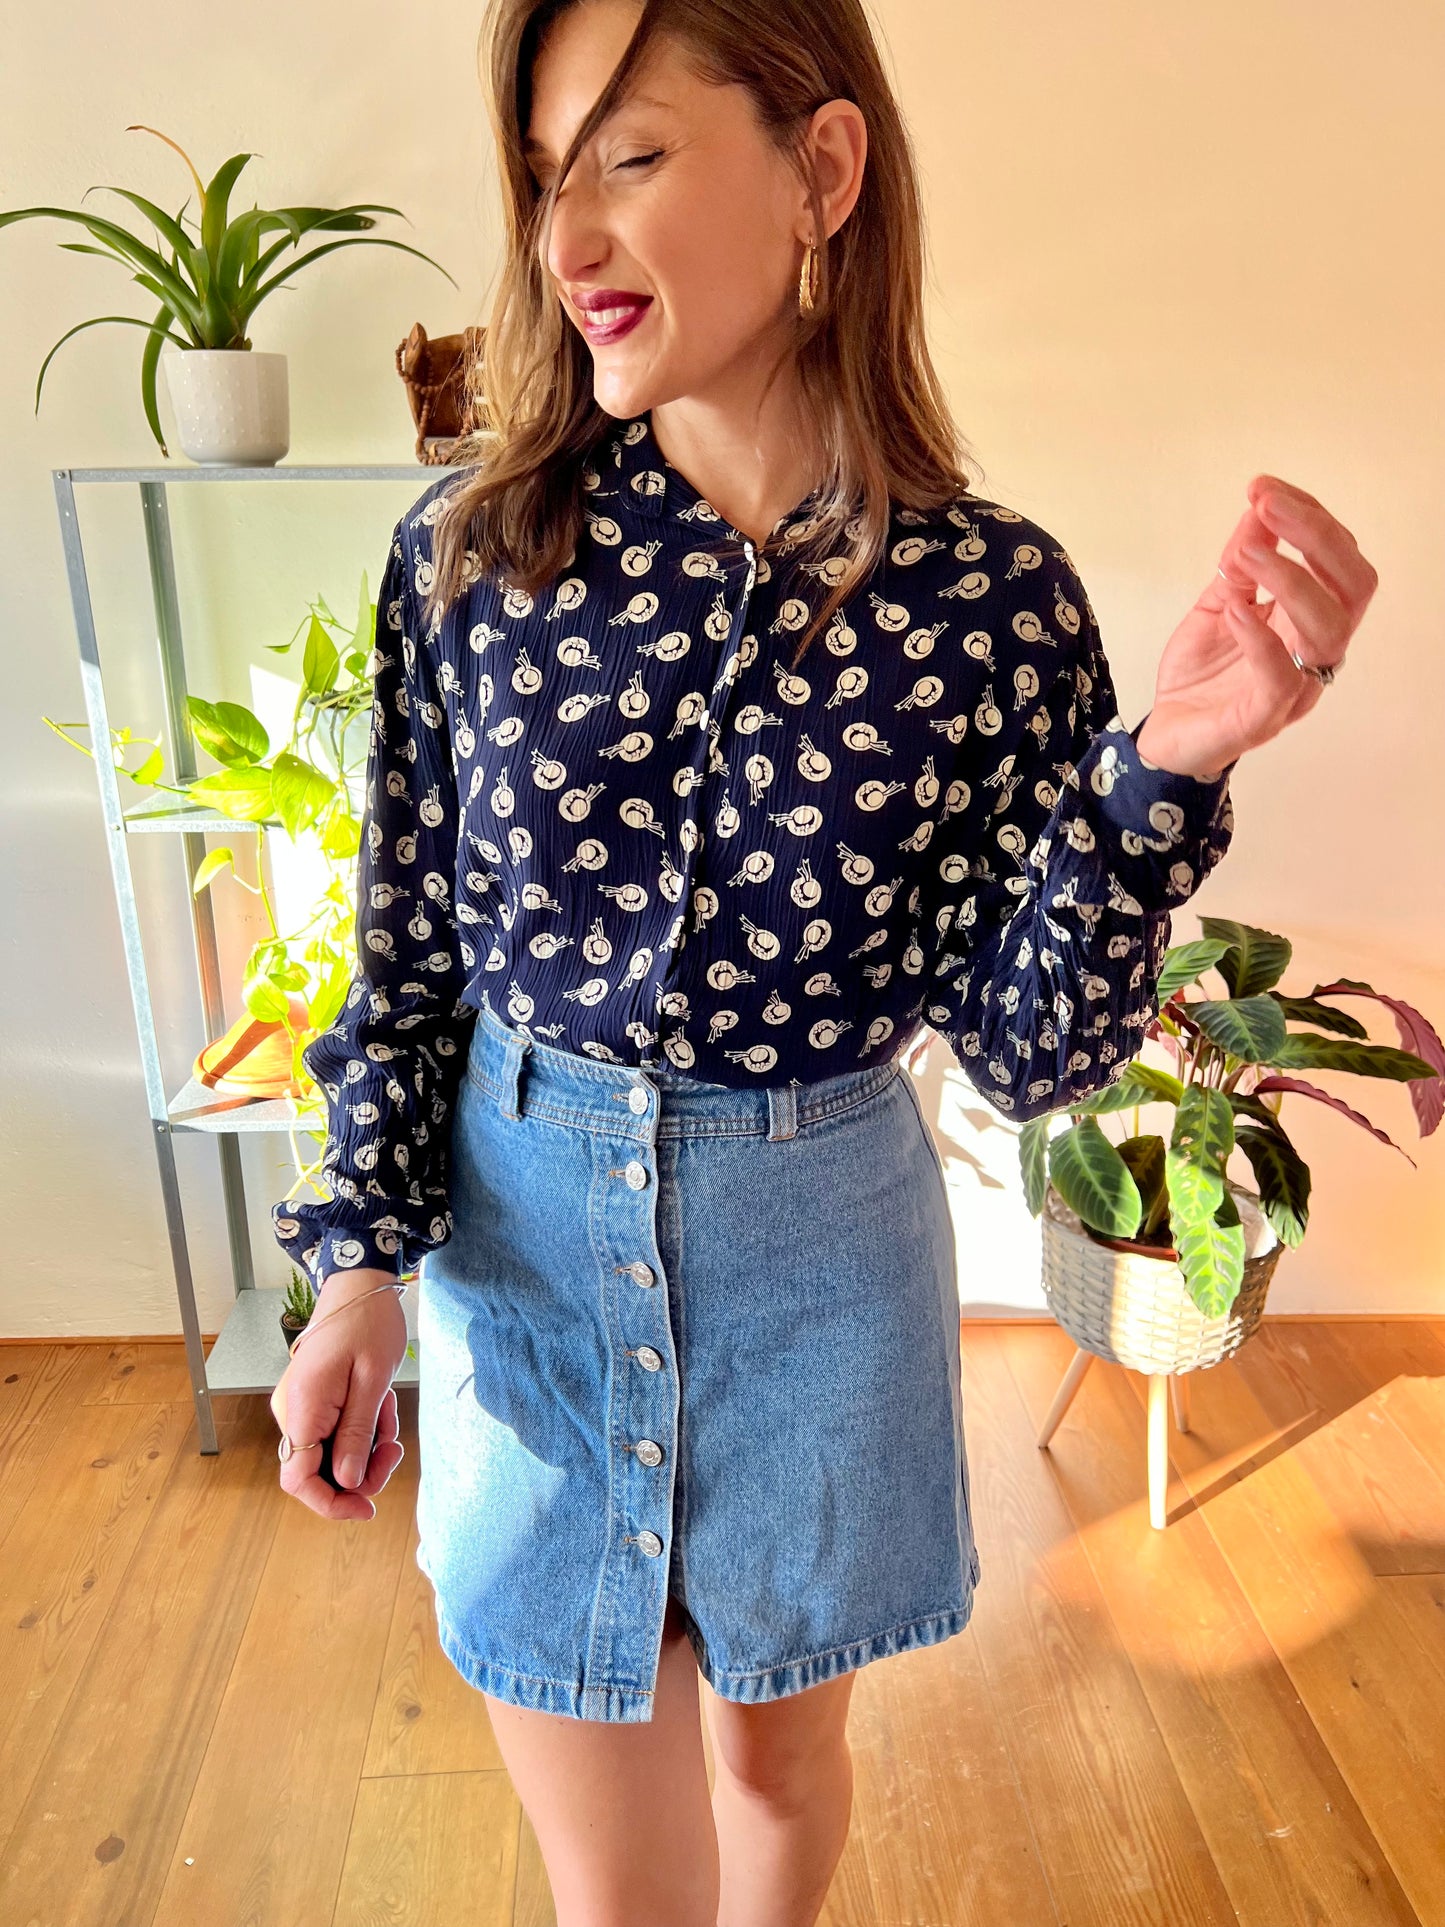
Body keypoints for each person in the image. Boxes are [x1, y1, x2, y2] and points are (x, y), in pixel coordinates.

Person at [268, 1, 1376, 1922]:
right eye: (545, 180)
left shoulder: (991, 599)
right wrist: (358, 1270)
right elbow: (410, 949)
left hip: (825, 1251)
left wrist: (1169, 766)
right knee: (618, 1880)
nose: (566, 240)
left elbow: (1032, 1052)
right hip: (528, 1249)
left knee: (783, 1762)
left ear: (823, 172)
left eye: (627, 157)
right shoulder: (475, 553)